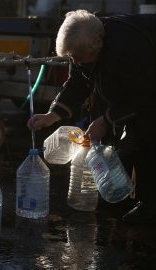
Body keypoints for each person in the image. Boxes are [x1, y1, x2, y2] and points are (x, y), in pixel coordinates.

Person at [27, 10, 156, 224]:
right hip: (135, 89)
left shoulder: (129, 48)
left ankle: (149, 207)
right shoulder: (82, 45)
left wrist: (106, 120)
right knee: (124, 145)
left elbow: (143, 97)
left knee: (147, 137)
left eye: (77, 58)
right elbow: (78, 81)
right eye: (71, 57)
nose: (75, 62)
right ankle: (131, 201)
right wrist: (53, 114)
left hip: (148, 86)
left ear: (97, 46)